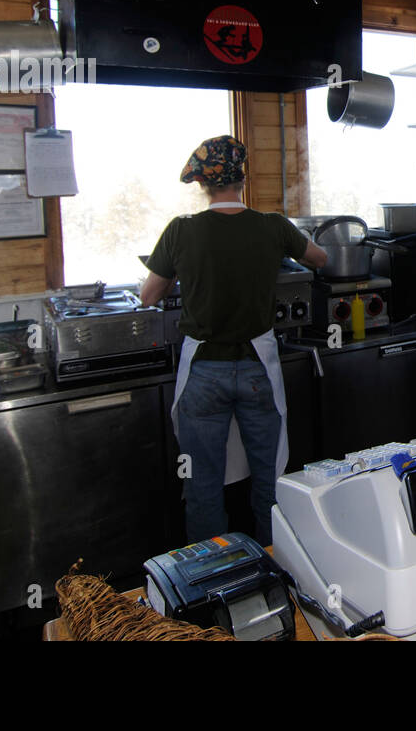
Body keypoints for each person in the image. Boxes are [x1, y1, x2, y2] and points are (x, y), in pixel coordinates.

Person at [140, 135, 327, 545]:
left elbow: (149, 295)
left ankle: (212, 583)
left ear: (203, 185)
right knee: (270, 479)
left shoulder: (181, 231)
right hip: (258, 369)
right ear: (242, 180)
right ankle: (277, 568)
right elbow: (319, 259)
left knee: (204, 485)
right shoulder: (272, 225)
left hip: (203, 374)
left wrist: (182, 273)